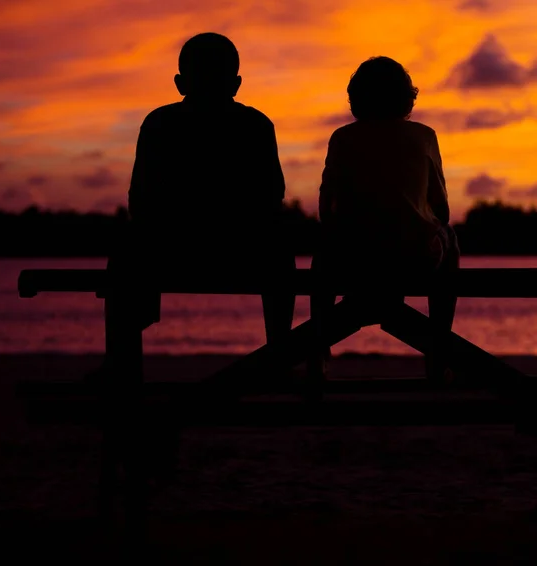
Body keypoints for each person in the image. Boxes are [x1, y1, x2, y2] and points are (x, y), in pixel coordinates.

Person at [105, 32, 295, 374]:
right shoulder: (256, 125)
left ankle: (121, 362)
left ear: (180, 82)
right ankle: (279, 348)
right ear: (236, 84)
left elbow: (140, 199)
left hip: (170, 251)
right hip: (245, 252)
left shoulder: (159, 123)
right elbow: (272, 196)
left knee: (126, 245)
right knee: (280, 241)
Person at [310, 56, 459, 382]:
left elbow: (327, 207)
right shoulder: (424, 136)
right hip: (415, 260)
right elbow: (442, 207)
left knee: (323, 251)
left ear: (356, 99)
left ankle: (317, 348)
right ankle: (439, 345)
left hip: (353, 261)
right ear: (407, 98)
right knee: (450, 235)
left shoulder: (342, 138)